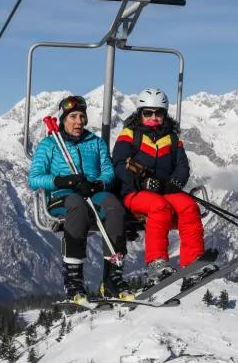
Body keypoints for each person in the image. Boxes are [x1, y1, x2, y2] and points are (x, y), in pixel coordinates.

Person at [28, 95, 134, 303]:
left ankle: (113, 276)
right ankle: (73, 278)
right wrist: (65, 181)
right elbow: (35, 178)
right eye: (73, 117)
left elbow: (108, 172)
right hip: (63, 195)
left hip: (93, 191)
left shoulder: (95, 143)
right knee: (76, 206)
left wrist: (97, 184)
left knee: (114, 207)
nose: (79, 122)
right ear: (63, 119)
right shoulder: (49, 144)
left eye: (82, 117)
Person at [112, 88, 211, 291]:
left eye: (159, 113)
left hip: (166, 191)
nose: (153, 117)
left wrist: (175, 182)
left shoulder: (172, 138)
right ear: (139, 113)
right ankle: (156, 264)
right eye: (148, 113)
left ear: (165, 114)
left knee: (189, 205)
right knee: (159, 206)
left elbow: (182, 165)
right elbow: (120, 165)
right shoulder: (130, 135)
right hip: (135, 194)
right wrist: (142, 184)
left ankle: (193, 263)